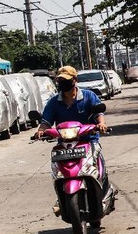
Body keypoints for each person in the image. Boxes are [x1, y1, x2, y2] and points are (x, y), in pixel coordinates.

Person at [35, 65, 109, 215]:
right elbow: (46, 121)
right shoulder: (54, 102)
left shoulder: (88, 96)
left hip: (88, 140)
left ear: (74, 80)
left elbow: (98, 113)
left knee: (98, 166)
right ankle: (61, 197)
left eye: (65, 80)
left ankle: (104, 189)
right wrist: (41, 130)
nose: (62, 83)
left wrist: (101, 123)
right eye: (60, 80)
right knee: (57, 170)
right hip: (65, 144)